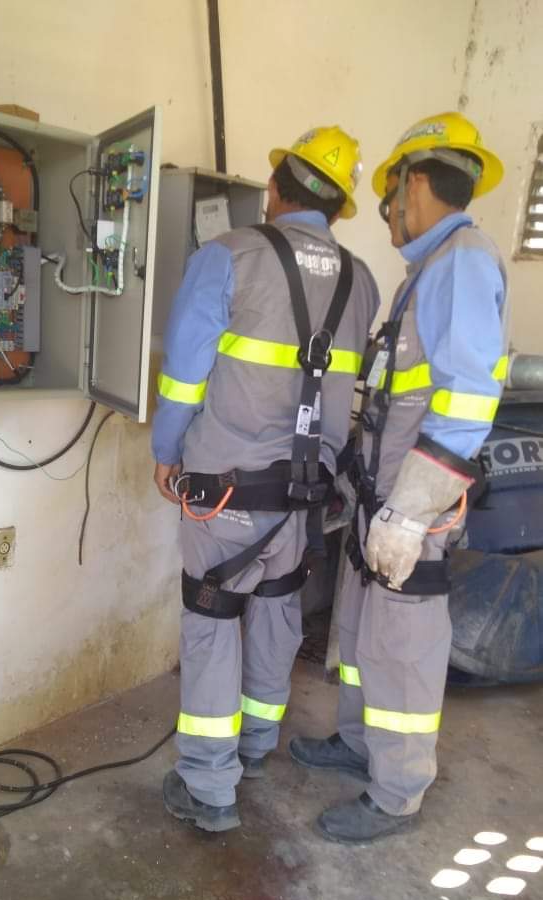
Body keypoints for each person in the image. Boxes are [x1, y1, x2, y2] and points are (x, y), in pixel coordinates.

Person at [151, 127, 379, 832]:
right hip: (309, 499)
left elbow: (185, 376)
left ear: (278, 186)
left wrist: (166, 451)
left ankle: (209, 786)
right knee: (279, 609)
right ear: (338, 207)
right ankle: (253, 747)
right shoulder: (362, 279)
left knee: (213, 621)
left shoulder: (228, 257)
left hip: (225, 490)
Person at [289, 112, 508, 843]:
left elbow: (467, 402)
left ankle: (398, 792)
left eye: (387, 195)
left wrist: (411, 515)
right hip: (378, 501)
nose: (385, 214)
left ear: (412, 184)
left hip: (411, 511)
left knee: (404, 650)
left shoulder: (464, 264)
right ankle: (358, 745)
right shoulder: (431, 270)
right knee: (360, 634)